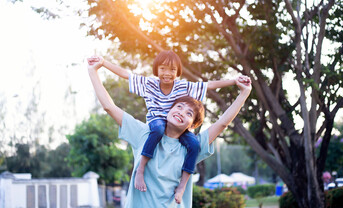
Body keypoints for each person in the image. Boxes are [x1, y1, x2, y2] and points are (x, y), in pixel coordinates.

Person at [88, 56, 252, 208]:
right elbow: (109, 107)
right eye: (179, 107)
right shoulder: (143, 134)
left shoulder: (191, 147)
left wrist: (244, 93)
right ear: (168, 110)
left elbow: (222, 123)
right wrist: (93, 71)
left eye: (189, 113)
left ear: (192, 125)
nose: (181, 112)